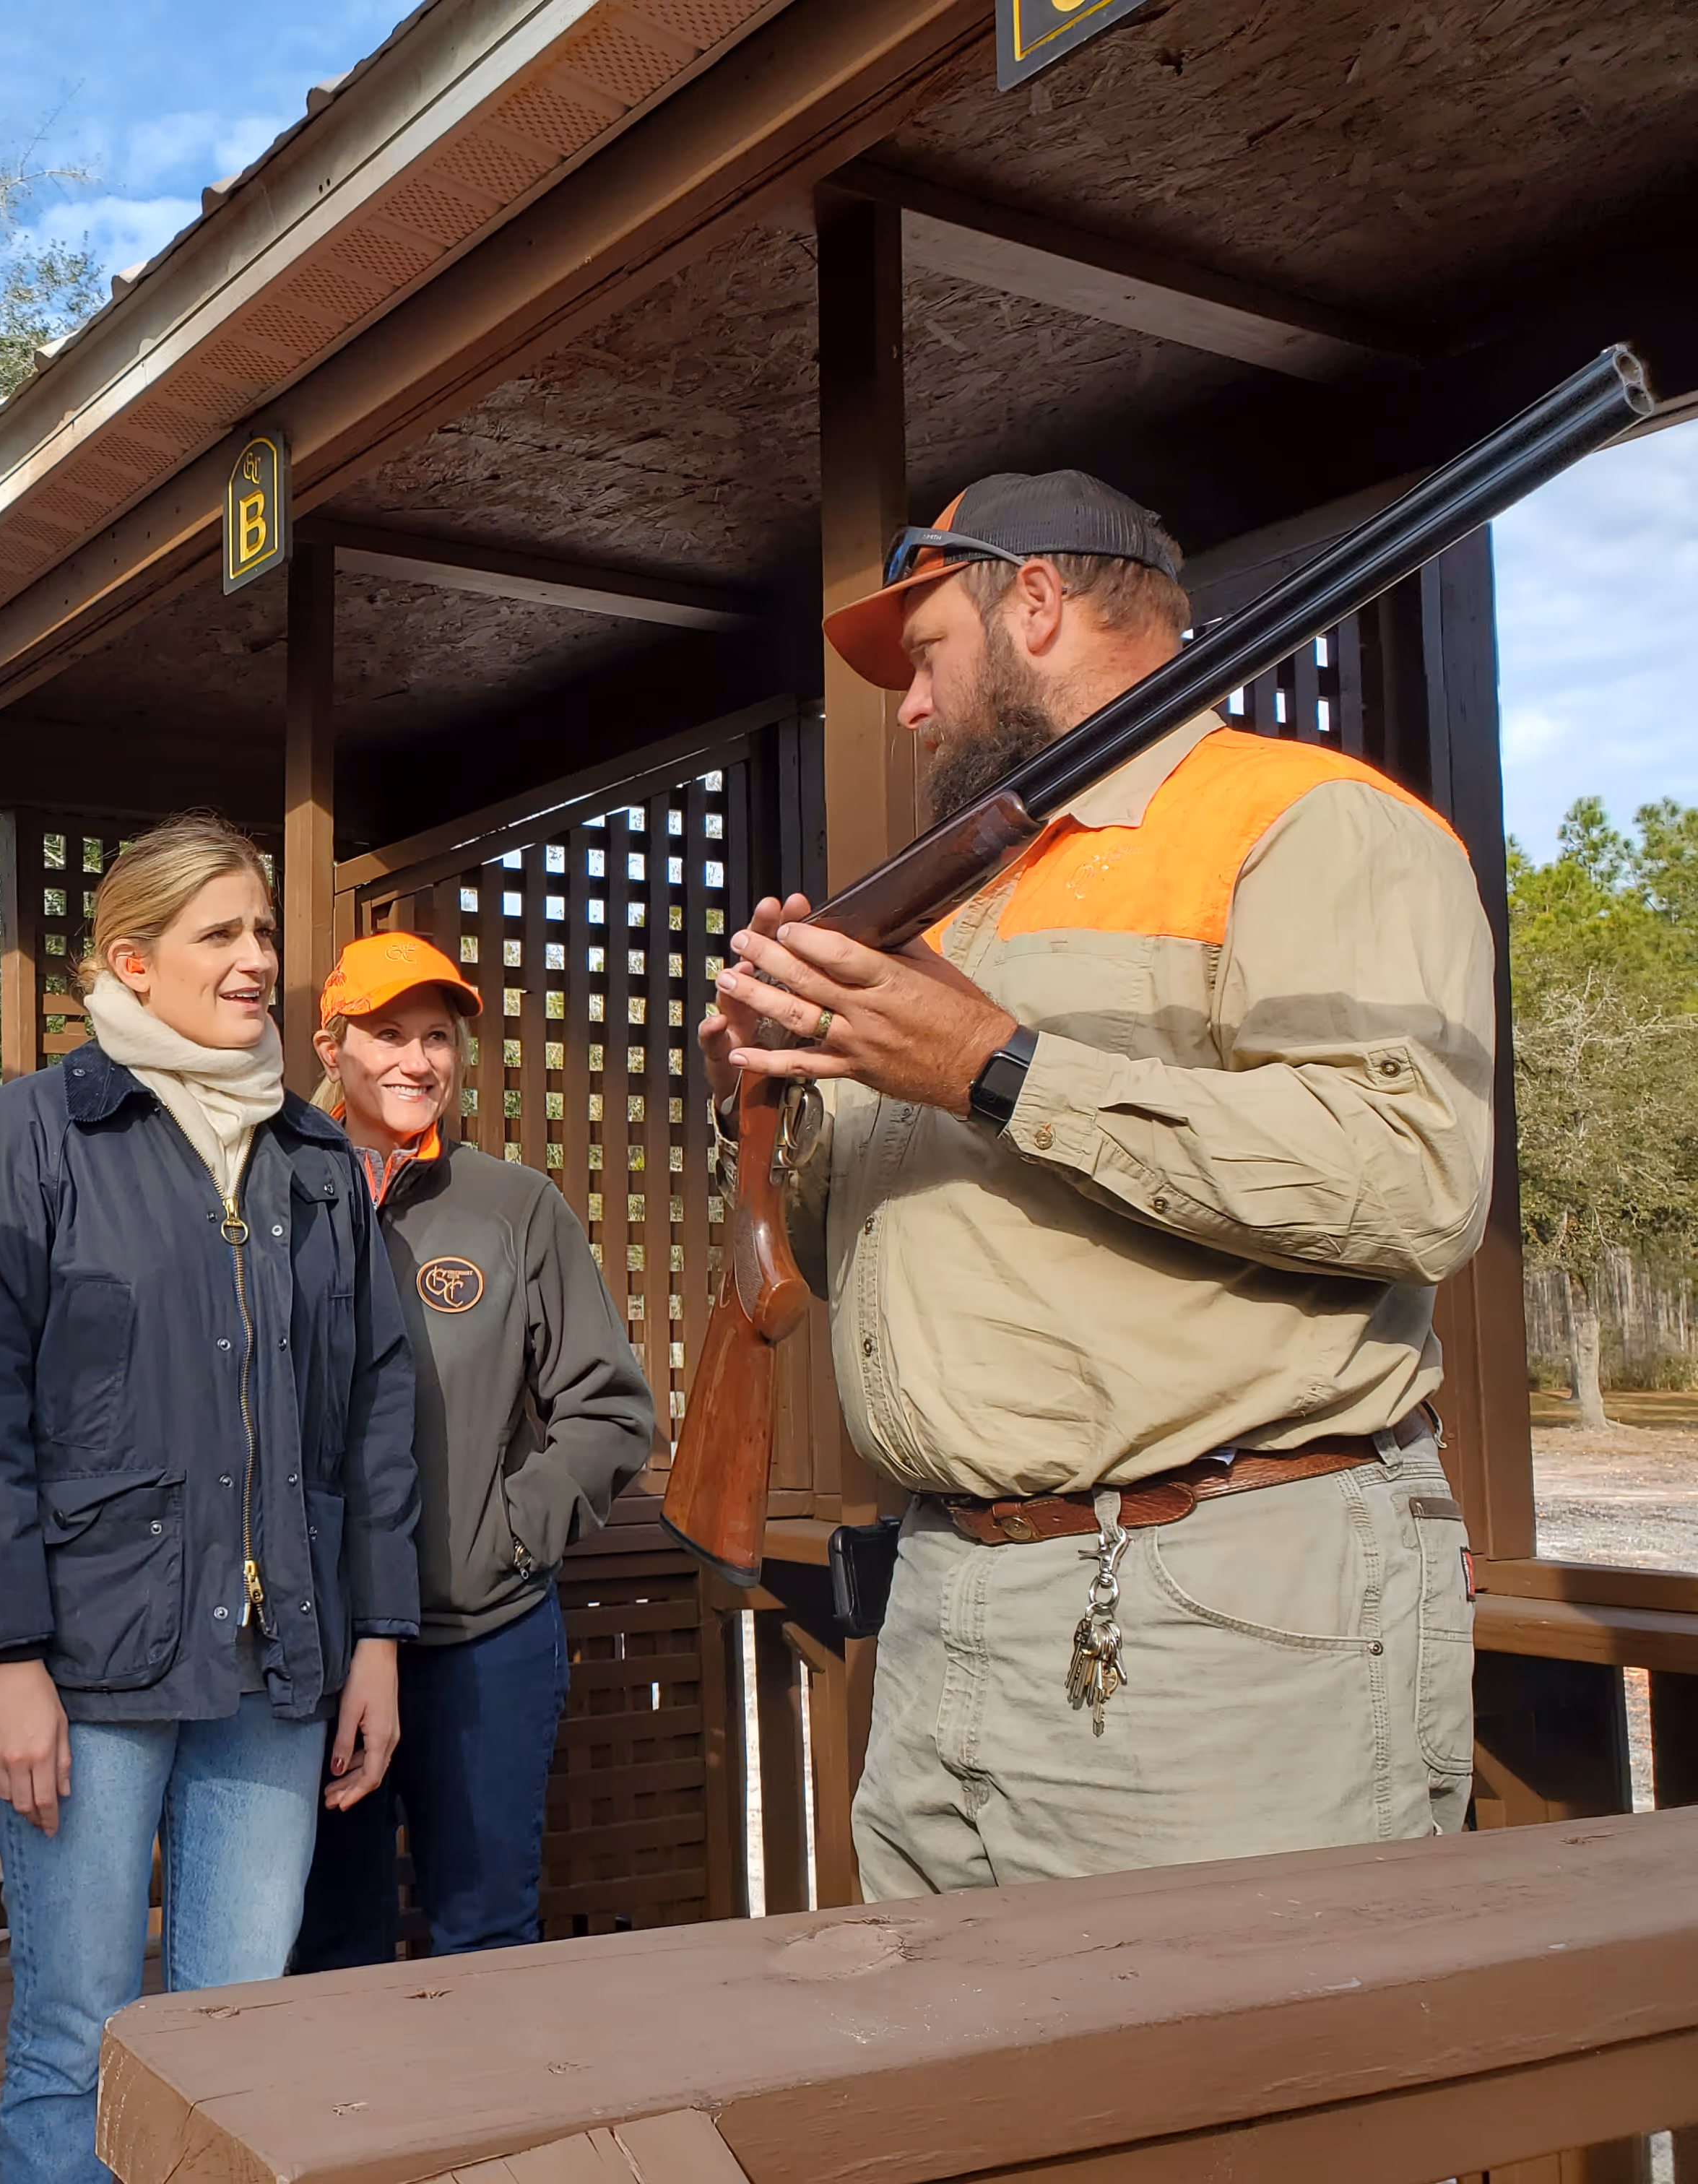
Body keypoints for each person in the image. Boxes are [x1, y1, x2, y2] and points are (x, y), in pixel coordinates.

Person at [702, 470, 1494, 1899]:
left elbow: (1412, 1182)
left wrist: (996, 1066)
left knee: (1237, 2098)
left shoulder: (1305, 821)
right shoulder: (963, 901)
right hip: (948, 1598)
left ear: (1040, 606)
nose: (913, 708)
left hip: (1215, 1623)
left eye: (928, 654)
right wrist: (768, 1100)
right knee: (951, 2098)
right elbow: (833, 1257)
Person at [0, 815, 420, 2183]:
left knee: (237, 2038)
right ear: (130, 963)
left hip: (277, 1674)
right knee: (77, 2038)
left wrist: (376, 1638)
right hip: (87, 1662)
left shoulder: (318, 1162)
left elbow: (374, 1418)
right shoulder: (36, 1130)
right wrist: (6, 1659)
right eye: (222, 934)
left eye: (264, 932)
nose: (259, 958)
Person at [290, 932, 653, 1970]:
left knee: (488, 1936)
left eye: (437, 1038)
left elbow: (611, 1410)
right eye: (387, 1035)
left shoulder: (513, 1207)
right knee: (327, 1947)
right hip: (313, 1654)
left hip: (483, 1637)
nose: (416, 1062)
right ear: (332, 1046)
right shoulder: (270, 1198)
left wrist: (510, 1534)